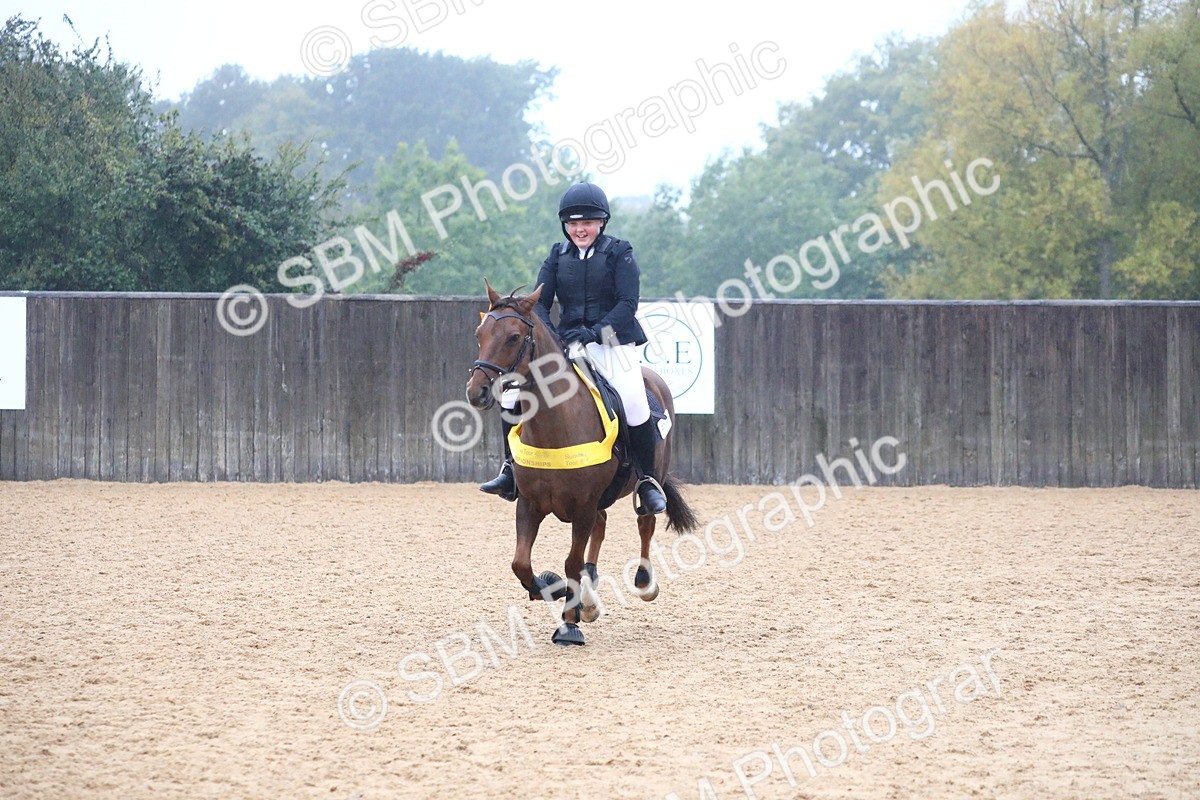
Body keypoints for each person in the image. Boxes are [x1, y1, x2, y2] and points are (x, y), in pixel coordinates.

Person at [479, 181, 667, 515]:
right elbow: (539, 304)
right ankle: (510, 469)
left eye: (587, 223)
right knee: (510, 395)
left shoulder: (620, 253)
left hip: (612, 342)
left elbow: (627, 303)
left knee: (635, 402)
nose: (580, 229)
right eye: (573, 223)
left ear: (601, 223)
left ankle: (647, 481)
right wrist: (555, 338)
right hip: (568, 343)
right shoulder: (557, 255)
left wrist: (594, 332)